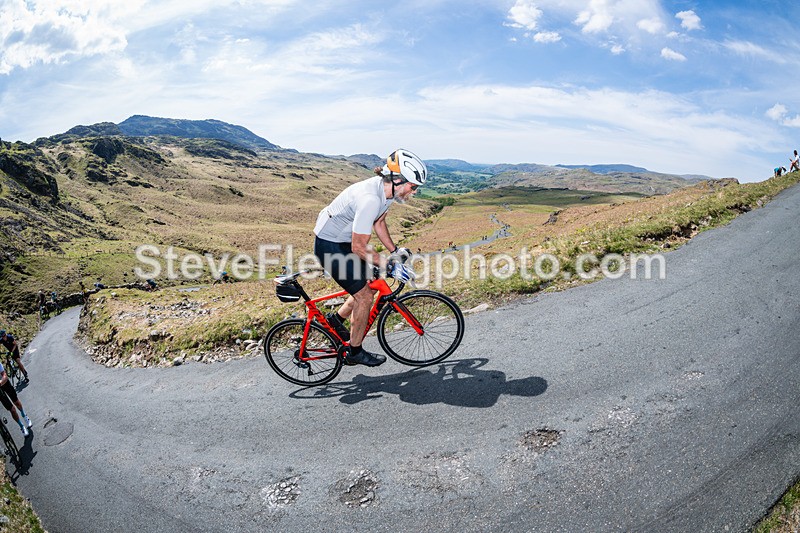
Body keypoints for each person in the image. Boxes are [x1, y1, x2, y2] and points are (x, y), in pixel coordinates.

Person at [312, 148, 424, 366]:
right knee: (364, 296)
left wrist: (394, 252)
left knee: (371, 283)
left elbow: (379, 223)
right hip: (329, 245)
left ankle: (336, 320)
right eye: (413, 186)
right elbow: (359, 248)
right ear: (399, 180)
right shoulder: (370, 198)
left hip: (342, 241)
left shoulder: (387, 192)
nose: (415, 192)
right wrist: (390, 267)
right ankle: (354, 352)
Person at [0, 358, 32, 437]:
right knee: (12, 410)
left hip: (4, 383)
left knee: (16, 402)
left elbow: (4, 375)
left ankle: (24, 416)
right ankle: (22, 426)